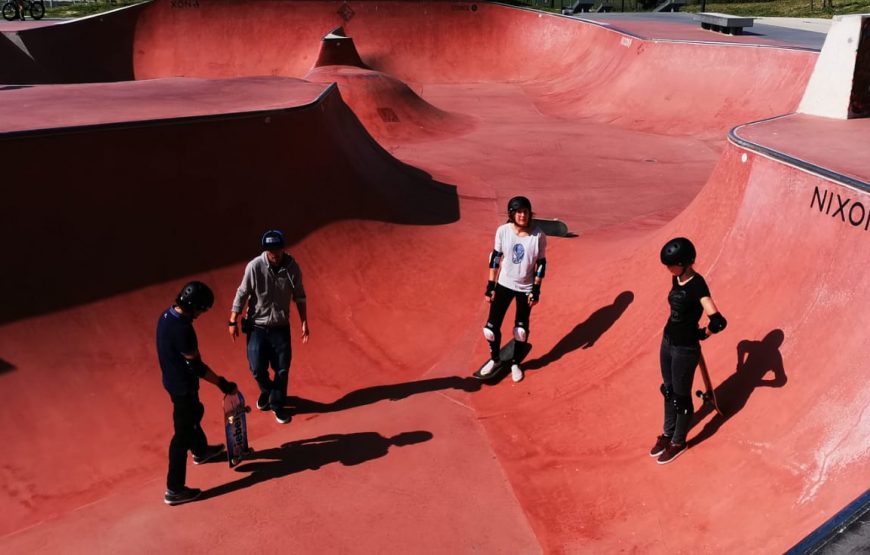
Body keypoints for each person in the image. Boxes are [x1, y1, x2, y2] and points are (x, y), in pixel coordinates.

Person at [157, 281, 238, 506]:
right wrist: (222, 383)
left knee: (195, 413)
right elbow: (198, 367)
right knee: (181, 436)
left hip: (174, 382)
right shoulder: (184, 330)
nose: (201, 314)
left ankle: (201, 451)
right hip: (183, 387)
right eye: (202, 309)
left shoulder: (166, 316)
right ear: (193, 305)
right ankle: (174, 489)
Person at [651, 237, 727, 464]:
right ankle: (668, 433)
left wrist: (704, 333)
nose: (667, 269)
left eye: (670, 265)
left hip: (685, 349)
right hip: (667, 342)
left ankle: (678, 441)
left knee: (681, 398)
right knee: (668, 390)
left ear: (684, 262)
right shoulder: (678, 278)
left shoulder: (697, 285)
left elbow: (719, 321)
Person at [229, 230, 309, 424]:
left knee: (282, 369)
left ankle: (277, 405)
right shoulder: (255, 267)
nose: (274, 254)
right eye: (270, 250)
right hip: (257, 326)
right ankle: (269, 391)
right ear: (265, 250)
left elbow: (299, 296)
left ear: (283, 248)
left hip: (280, 327)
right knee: (256, 368)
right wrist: (233, 320)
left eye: (278, 249)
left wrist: (304, 321)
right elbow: (242, 293)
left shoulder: (292, 268)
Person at [479, 196, 547, 383]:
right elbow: (495, 258)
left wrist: (536, 290)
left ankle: (516, 362)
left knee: (521, 330)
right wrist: (490, 286)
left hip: (525, 288)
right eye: (518, 212)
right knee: (490, 329)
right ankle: (494, 360)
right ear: (511, 214)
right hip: (504, 284)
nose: (522, 215)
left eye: (525, 212)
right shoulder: (503, 231)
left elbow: (541, 264)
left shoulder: (538, 235)